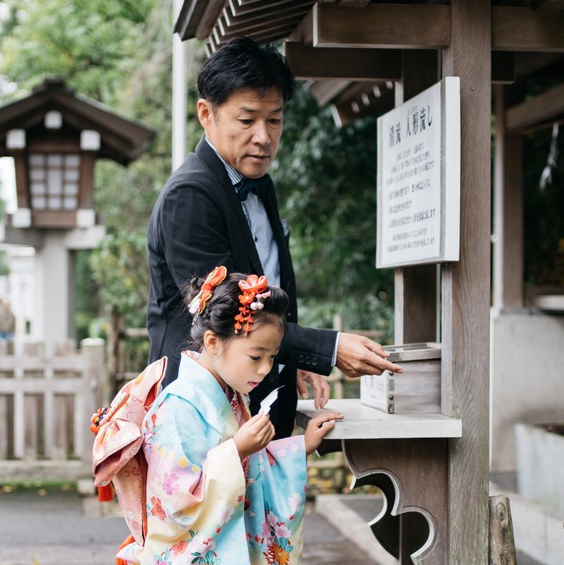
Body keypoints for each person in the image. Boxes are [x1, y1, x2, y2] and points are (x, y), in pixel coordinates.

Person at [94, 267, 343, 565]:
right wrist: (234, 450)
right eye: (256, 355)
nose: (263, 368)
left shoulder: (230, 395)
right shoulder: (178, 405)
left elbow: (250, 470)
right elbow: (177, 500)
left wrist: (298, 449)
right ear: (212, 340)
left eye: (272, 357)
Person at [146, 36, 400, 438]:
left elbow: (262, 302)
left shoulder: (259, 184)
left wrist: (288, 356)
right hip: (203, 420)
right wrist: (328, 348)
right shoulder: (191, 194)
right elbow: (226, 313)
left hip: (255, 407)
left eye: (275, 120)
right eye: (247, 120)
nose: (263, 137)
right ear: (205, 114)